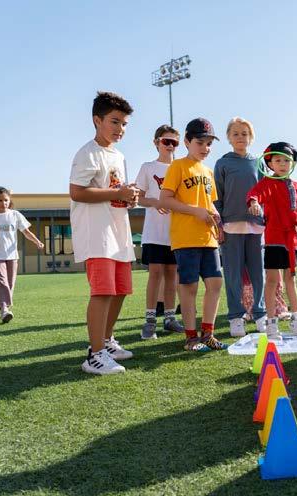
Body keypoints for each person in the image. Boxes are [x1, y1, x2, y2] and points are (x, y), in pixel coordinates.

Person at [69, 91, 138, 375]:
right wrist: (117, 193)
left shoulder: (118, 155)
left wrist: (128, 197)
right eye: (114, 121)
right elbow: (77, 192)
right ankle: (94, 354)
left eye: (124, 124)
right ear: (97, 120)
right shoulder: (87, 153)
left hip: (118, 232)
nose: (120, 128)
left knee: (120, 290)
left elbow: (114, 191)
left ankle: (107, 342)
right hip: (97, 235)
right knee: (103, 292)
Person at [159, 118, 228, 352]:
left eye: (209, 144)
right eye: (200, 142)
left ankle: (208, 334)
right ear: (187, 142)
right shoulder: (177, 166)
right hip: (186, 238)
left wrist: (217, 221)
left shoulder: (208, 171)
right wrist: (195, 211)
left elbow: (210, 203)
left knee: (215, 283)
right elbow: (165, 200)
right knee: (189, 287)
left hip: (208, 238)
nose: (205, 148)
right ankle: (191, 338)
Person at [246, 142, 297, 340]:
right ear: (270, 163)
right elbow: (255, 194)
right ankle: (271, 323)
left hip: (292, 240)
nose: (282, 164)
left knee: (291, 279)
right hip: (274, 238)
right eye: (278, 160)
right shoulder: (267, 183)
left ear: (292, 164)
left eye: (286, 160)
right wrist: (254, 202)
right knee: (272, 280)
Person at [213, 117, 267, 337]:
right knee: (233, 275)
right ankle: (236, 317)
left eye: (244, 133)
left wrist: (261, 209)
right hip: (230, 226)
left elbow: (265, 193)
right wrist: (219, 225)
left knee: (258, 274)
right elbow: (217, 197)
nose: (240, 137)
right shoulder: (222, 163)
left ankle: (260, 314)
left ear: (251, 137)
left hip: (255, 227)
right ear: (228, 137)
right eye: (235, 133)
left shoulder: (259, 163)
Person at [134, 124, 185, 339]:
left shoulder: (182, 167)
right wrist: (156, 202)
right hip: (154, 232)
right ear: (156, 142)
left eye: (174, 142)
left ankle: (170, 318)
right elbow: (138, 198)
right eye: (166, 141)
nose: (170, 146)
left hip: (176, 232)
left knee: (172, 274)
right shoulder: (148, 167)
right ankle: (150, 320)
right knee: (155, 273)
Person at [0, 187, 45, 322]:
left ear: (9, 200)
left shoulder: (15, 215)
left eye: (6, 200)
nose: (3, 203)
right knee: (1, 281)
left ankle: (1, 303)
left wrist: (37, 241)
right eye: (0, 200)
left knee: (10, 283)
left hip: (12, 255)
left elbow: (26, 232)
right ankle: (4, 309)